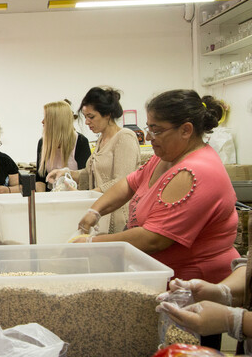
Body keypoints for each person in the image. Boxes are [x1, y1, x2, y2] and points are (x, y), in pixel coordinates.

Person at [72, 90, 239, 286]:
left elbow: (154, 239)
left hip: (194, 284)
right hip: (161, 276)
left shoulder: (194, 172)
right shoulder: (165, 157)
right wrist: (96, 210)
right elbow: (129, 183)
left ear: (186, 130)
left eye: (156, 130)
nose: (149, 137)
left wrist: (94, 243)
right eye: (148, 128)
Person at [47, 86, 140, 233]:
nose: (87, 122)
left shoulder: (125, 137)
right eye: (85, 117)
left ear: (107, 114)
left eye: (91, 117)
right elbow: (89, 174)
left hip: (117, 216)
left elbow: (122, 181)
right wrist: (66, 173)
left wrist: (87, 196)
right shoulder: (101, 139)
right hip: (101, 212)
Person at [35, 100, 91, 192]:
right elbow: (40, 179)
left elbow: (86, 178)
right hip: (52, 196)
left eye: (46, 118)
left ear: (56, 122)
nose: (42, 121)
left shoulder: (80, 142)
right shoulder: (42, 142)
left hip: (75, 196)